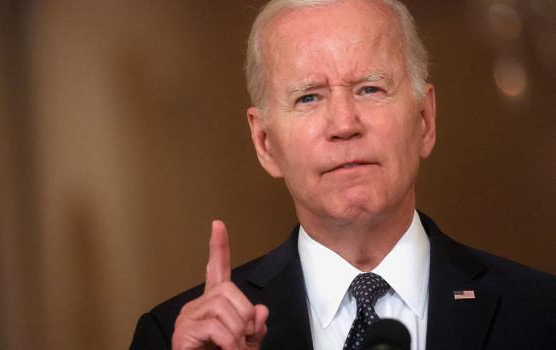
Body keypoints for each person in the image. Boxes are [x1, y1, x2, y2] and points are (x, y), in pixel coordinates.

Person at [129, 0, 556, 349]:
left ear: (425, 120)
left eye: (370, 88)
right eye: (309, 97)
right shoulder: (174, 337)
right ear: (264, 143)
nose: (344, 123)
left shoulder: (542, 314)